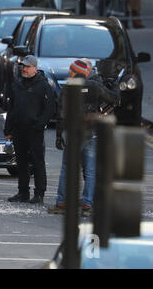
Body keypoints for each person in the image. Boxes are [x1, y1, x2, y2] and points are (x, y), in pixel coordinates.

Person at [48, 59, 120, 217]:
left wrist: (59, 135)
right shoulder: (94, 86)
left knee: (67, 169)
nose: (69, 73)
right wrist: (115, 85)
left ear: (75, 71)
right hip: (90, 132)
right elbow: (114, 99)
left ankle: (62, 203)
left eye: (70, 70)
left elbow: (61, 113)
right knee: (91, 170)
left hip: (72, 132)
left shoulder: (68, 87)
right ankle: (87, 205)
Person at [5, 55, 56, 204]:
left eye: (27, 67)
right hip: (19, 129)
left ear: (35, 68)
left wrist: (39, 125)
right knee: (20, 162)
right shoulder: (16, 85)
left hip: (34, 130)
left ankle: (39, 193)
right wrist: (8, 129)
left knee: (37, 161)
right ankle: (23, 192)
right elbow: (11, 108)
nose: (24, 69)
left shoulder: (44, 85)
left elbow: (49, 108)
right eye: (23, 66)